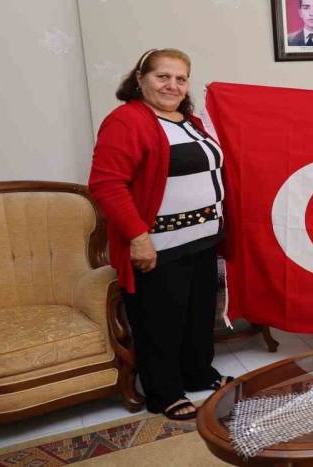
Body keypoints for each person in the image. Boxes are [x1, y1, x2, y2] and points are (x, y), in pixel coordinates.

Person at [89, 48, 232, 421]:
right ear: (140, 79)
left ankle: (197, 372)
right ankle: (164, 392)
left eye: (180, 79)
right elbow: (107, 185)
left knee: (198, 316)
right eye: (162, 76)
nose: (172, 85)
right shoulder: (127, 121)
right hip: (158, 245)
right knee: (160, 322)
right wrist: (138, 238)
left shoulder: (190, 121)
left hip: (202, 239)